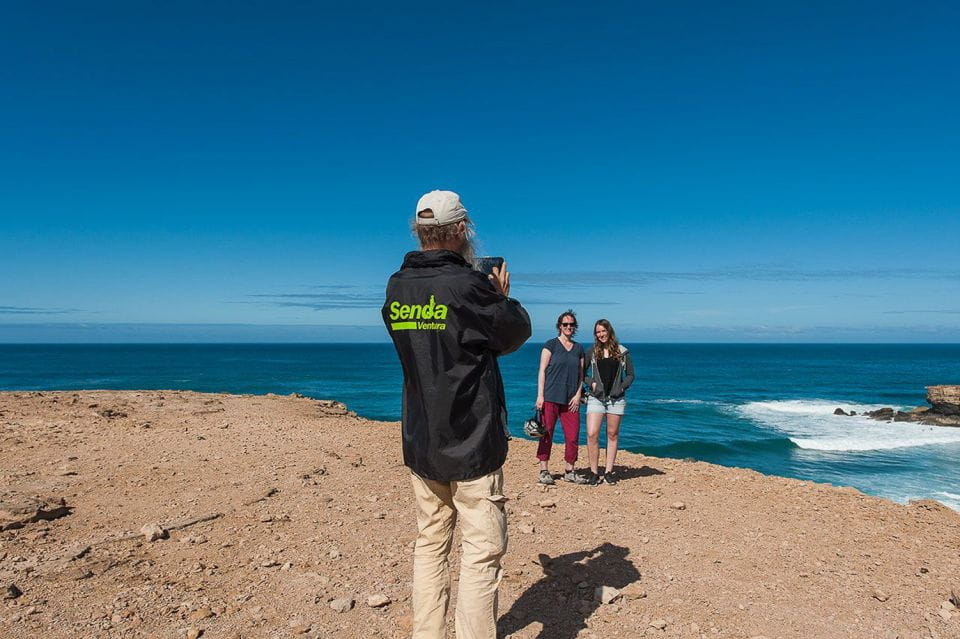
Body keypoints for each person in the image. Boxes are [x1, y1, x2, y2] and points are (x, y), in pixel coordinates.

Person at [382, 189, 531, 639]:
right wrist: (501, 298)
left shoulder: (397, 287)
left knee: (430, 544)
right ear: (462, 230)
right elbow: (512, 334)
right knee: (481, 551)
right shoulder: (468, 287)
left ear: (419, 230)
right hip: (471, 440)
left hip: (422, 439)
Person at [535, 310, 591, 485]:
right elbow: (542, 371)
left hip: (571, 400)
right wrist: (540, 396)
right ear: (559, 326)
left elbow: (581, 375)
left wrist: (577, 395)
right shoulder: (550, 345)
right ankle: (544, 470)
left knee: (573, 436)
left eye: (571, 324)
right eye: (565, 324)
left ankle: (570, 470)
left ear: (575, 327)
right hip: (550, 396)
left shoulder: (579, 348)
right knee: (546, 434)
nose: (568, 327)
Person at [582, 318, 635, 485]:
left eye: (603, 331)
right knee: (592, 433)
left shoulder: (622, 351)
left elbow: (631, 375)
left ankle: (609, 472)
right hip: (596, 398)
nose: (601, 334)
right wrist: (592, 383)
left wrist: (621, 387)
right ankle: (593, 472)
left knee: (612, 435)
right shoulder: (591, 351)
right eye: (598, 332)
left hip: (616, 400)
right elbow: (582, 374)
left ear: (609, 331)